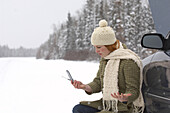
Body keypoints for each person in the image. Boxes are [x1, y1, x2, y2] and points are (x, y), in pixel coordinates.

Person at [71, 19, 144, 113]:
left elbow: (134, 91)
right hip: (108, 104)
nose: (96, 51)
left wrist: (125, 97)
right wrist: (85, 87)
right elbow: (98, 82)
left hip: (125, 108)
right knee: (78, 109)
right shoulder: (106, 59)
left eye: (99, 47)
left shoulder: (128, 61)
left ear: (110, 45)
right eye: (94, 47)